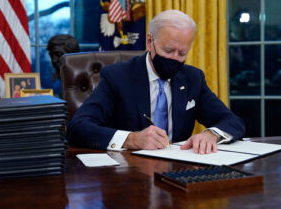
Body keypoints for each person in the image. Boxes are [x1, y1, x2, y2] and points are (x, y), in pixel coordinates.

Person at [66, 10, 245, 154]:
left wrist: (211, 134)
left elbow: (232, 121)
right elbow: (78, 128)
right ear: (150, 41)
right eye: (168, 50)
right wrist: (131, 139)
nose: (175, 59)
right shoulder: (117, 77)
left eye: (182, 53)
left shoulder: (192, 78)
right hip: (128, 174)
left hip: (178, 171)